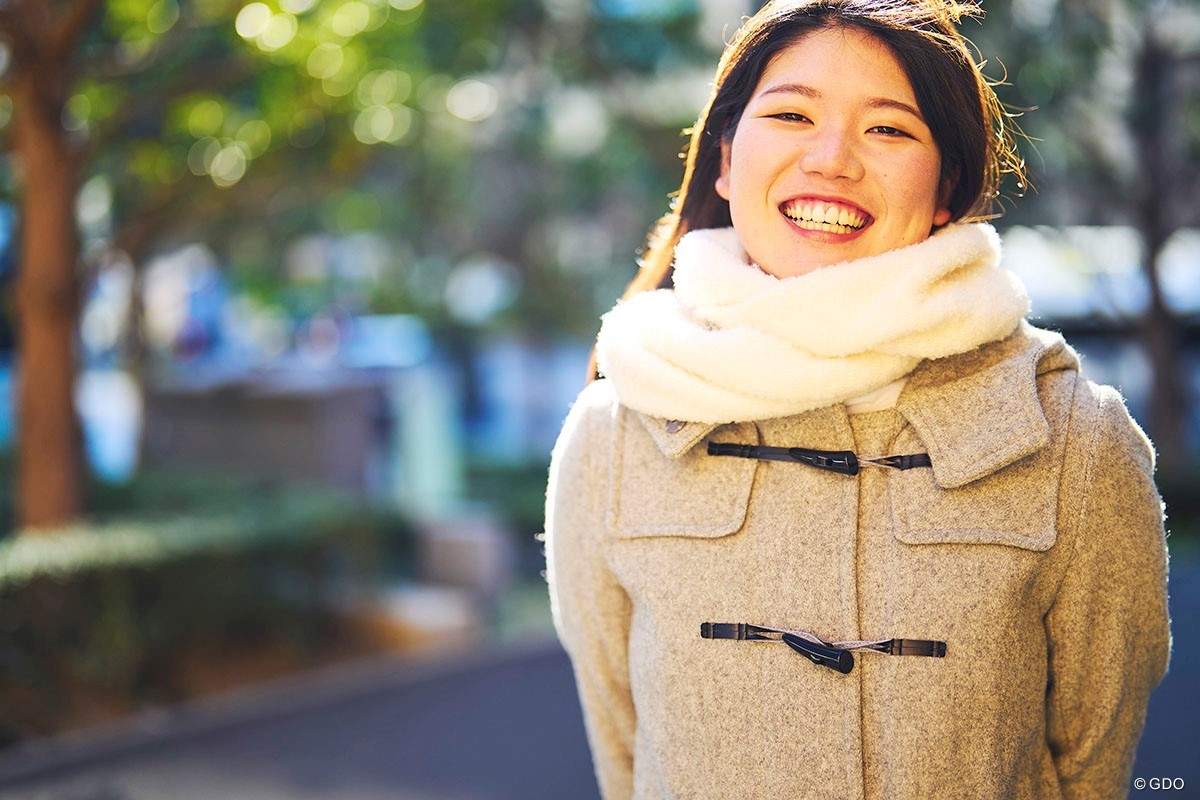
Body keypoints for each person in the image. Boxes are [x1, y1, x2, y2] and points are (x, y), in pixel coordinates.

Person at [544, 1, 1172, 798]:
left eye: (888, 129)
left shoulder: (1073, 441)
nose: (832, 159)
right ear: (727, 160)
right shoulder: (613, 433)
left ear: (947, 185)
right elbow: (626, 753)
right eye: (792, 114)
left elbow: (1092, 763)